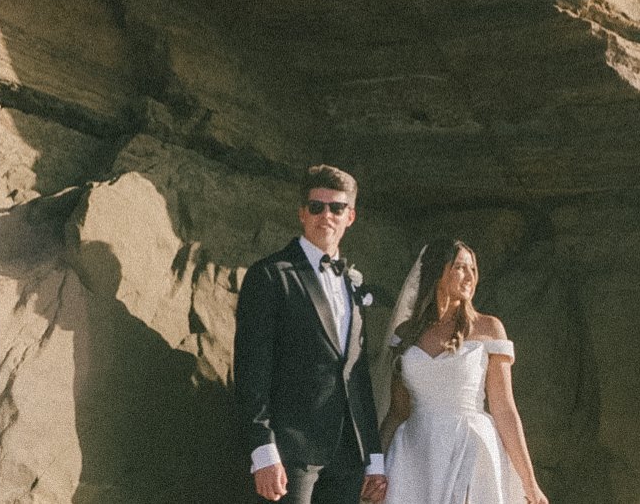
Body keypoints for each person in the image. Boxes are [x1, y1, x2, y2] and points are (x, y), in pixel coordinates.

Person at [234, 164, 388, 503]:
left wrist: (373, 457)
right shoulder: (271, 276)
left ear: (351, 216)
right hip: (290, 453)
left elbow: (357, 375)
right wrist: (262, 448)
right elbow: (251, 369)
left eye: (337, 208)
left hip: (348, 454)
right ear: (302, 212)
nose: (326, 215)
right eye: (316, 206)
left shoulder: (352, 283)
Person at [377, 238, 548, 504]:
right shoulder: (406, 334)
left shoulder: (488, 328)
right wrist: (375, 468)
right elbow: (398, 412)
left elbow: (504, 408)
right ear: (438, 271)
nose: (469, 276)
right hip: (416, 454)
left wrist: (529, 481)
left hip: (470, 444)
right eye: (459, 267)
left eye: (473, 269)